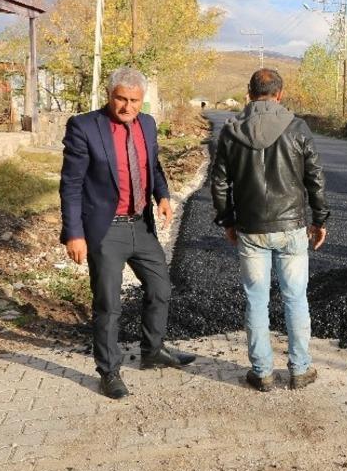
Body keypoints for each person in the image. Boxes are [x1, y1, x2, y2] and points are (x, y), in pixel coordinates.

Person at [60, 67, 195, 399]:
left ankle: (153, 350)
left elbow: (153, 166)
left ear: (142, 100)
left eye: (134, 100)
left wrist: (163, 195)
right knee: (108, 304)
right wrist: (74, 233)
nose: (127, 107)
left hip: (141, 224)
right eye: (121, 98)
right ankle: (109, 371)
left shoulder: (147, 124)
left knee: (160, 288)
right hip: (105, 231)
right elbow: (71, 185)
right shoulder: (85, 127)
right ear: (109, 95)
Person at [211, 68, 330, 392]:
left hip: (251, 229)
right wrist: (319, 220)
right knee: (295, 298)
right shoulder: (297, 128)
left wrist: (227, 220)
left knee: (256, 300)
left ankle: (262, 373)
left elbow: (219, 182)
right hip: (291, 227)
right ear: (280, 94)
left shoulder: (231, 131)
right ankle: (300, 370)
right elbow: (315, 178)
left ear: (249, 94)